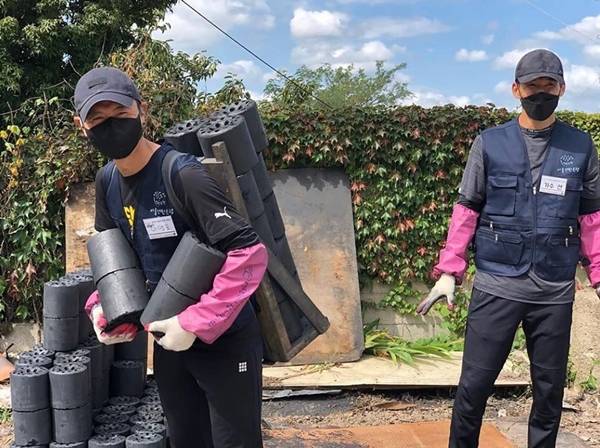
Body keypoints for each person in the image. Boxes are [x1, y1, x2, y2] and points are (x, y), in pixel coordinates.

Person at [73, 66, 267, 448]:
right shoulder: (106, 182)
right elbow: (116, 258)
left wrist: (195, 322)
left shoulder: (182, 174)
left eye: (120, 113)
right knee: (185, 439)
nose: (111, 126)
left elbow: (248, 253)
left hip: (223, 342)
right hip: (168, 342)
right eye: (98, 119)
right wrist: (104, 306)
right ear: (82, 126)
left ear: (141, 110)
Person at [418, 49, 600, 447]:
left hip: (554, 291)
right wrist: (449, 270)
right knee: (473, 388)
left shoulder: (580, 146)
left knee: (549, 393)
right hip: (497, 286)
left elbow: (591, 217)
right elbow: (467, 208)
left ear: (562, 89)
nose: (541, 93)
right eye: (533, 86)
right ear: (516, 89)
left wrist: (599, 273)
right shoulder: (490, 143)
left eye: (549, 85)